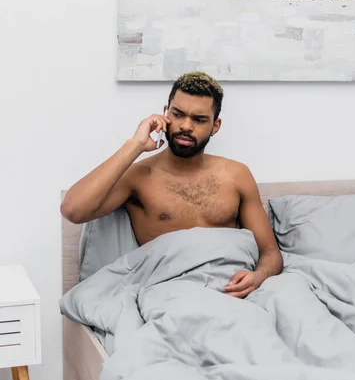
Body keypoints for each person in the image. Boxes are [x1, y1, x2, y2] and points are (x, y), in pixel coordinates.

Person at [61, 72, 283, 298]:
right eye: (178, 114)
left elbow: (271, 252)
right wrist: (136, 144)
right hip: (169, 294)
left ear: (215, 126)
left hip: (230, 292)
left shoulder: (237, 175)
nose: (186, 126)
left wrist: (258, 277)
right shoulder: (139, 177)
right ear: (165, 113)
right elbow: (73, 210)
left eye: (199, 120)